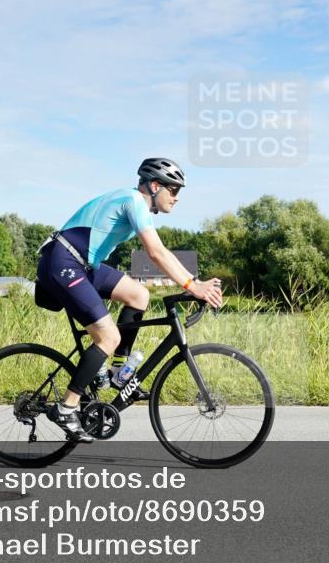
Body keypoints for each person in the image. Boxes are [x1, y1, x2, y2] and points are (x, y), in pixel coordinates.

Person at [35, 158, 223, 442]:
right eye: (173, 190)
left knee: (139, 294)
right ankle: (66, 407)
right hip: (63, 261)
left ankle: (117, 370)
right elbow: (156, 252)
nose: (176, 197)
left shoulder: (137, 203)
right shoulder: (134, 200)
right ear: (155, 185)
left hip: (83, 265)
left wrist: (192, 283)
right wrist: (192, 285)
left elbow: (159, 252)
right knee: (107, 337)